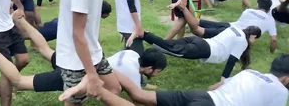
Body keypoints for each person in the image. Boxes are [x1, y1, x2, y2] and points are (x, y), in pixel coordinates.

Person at [0, 18, 167, 94]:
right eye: (157, 72)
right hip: (74, 75)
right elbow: (139, 95)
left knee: (46, 50)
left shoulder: (131, 55)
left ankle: (20, 21)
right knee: (19, 81)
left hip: (77, 61)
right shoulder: (132, 75)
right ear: (150, 69)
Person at [59, 54, 289, 106]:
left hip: (203, 96)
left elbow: (221, 86)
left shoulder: (251, 73)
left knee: (141, 95)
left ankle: (98, 75)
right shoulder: (282, 93)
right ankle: (97, 87)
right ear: (286, 79)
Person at [128, 24, 261, 84]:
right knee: (170, 47)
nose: (254, 42)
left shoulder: (234, 28)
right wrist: (223, 80)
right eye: (256, 39)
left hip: (199, 41)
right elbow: (232, 60)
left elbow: (214, 32)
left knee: (170, 45)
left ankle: (145, 35)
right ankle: (143, 34)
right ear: (253, 36)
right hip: (205, 50)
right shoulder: (243, 41)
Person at [170, 0, 278, 53]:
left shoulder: (249, 11)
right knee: (197, 30)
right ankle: (184, 8)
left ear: (258, 5)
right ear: (268, 9)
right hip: (233, 32)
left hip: (228, 25)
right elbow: (273, 40)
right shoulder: (270, 20)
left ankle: (185, 9)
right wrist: (271, 50)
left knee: (198, 21)